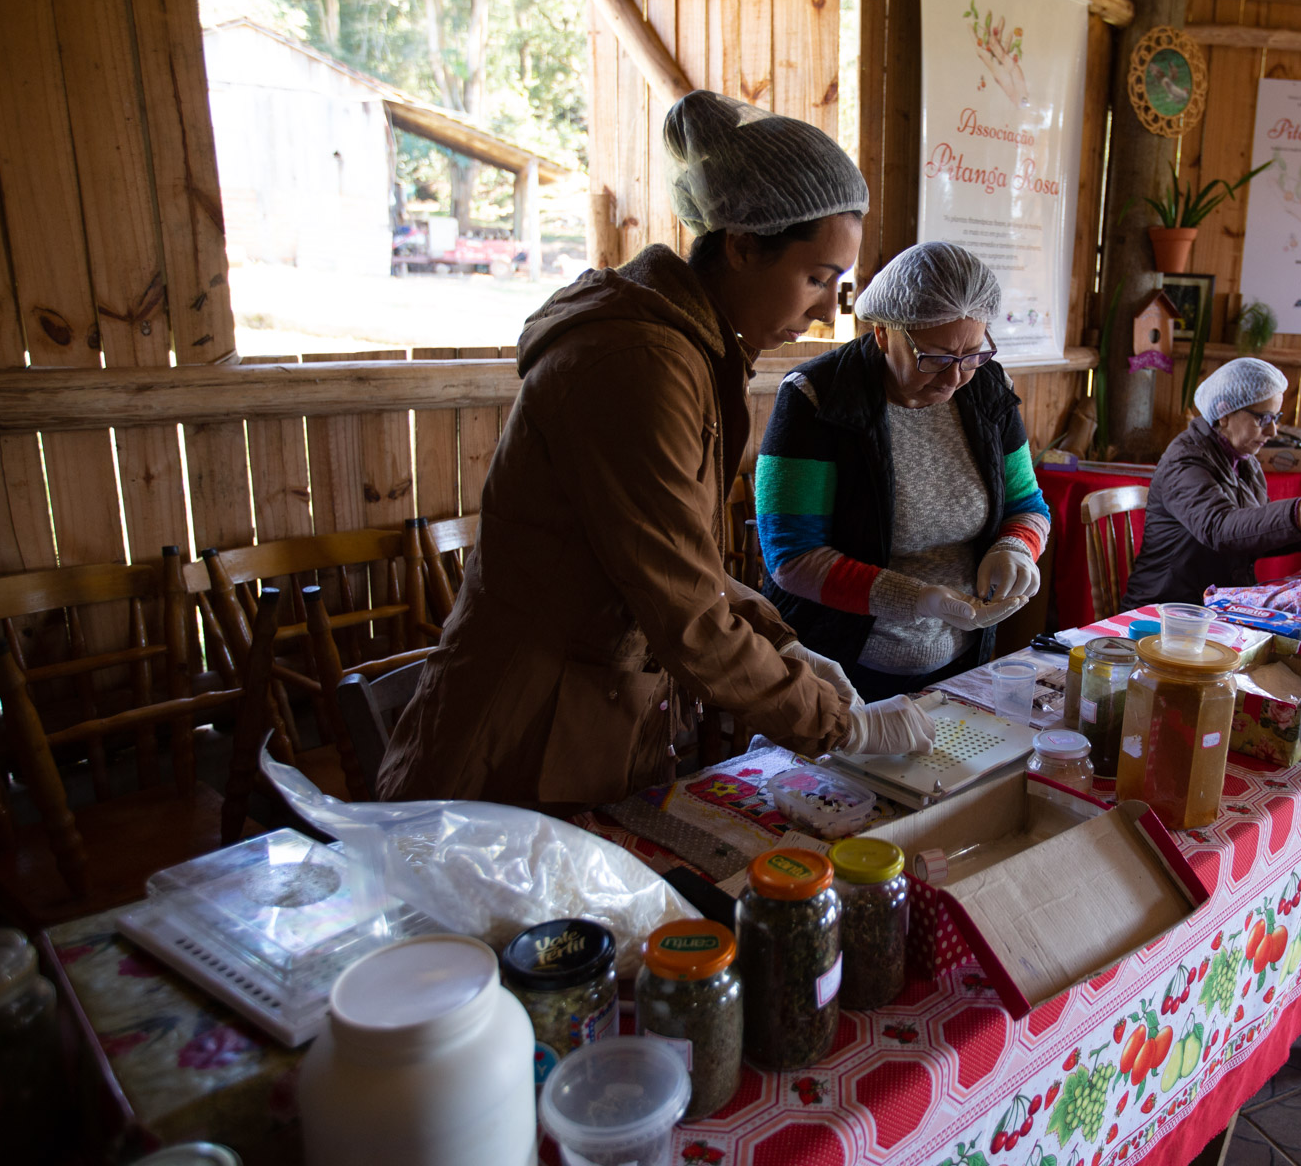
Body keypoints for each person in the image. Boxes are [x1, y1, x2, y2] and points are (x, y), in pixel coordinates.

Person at [378, 91, 938, 807]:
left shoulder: (690, 347)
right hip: (521, 736)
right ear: (740, 246)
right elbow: (683, 608)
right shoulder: (637, 363)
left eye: (839, 282)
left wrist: (782, 643)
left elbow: (680, 566)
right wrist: (837, 724)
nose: (831, 308)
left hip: (592, 715)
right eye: (816, 278)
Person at [755, 242, 1051, 700]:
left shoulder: (989, 387)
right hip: (839, 665)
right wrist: (913, 598)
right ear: (882, 333)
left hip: (961, 661)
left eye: (972, 354)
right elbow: (792, 557)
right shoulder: (817, 397)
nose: (954, 378)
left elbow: (1027, 505)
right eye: (934, 358)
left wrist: (1017, 547)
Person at [1122, 357, 1301, 609]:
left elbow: (1252, 534)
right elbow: (1220, 528)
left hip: (1212, 606)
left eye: (1276, 417)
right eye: (1263, 419)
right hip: (1164, 611)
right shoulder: (1184, 461)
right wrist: (1299, 513)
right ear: (1225, 413)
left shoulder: (1244, 462)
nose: (1272, 431)